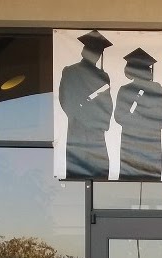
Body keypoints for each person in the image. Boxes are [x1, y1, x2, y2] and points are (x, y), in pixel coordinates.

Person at [59, 29, 113, 179]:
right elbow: (65, 100)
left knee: (99, 170)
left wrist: (101, 122)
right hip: (78, 129)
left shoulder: (103, 76)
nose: (95, 55)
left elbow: (107, 103)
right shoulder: (70, 71)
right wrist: (81, 114)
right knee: (77, 170)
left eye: (96, 52)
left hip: (95, 131)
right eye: (92, 51)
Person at [115, 47, 162, 179]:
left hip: (144, 144)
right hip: (139, 145)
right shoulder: (126, 90)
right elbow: (119, 117)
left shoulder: (156, 89)